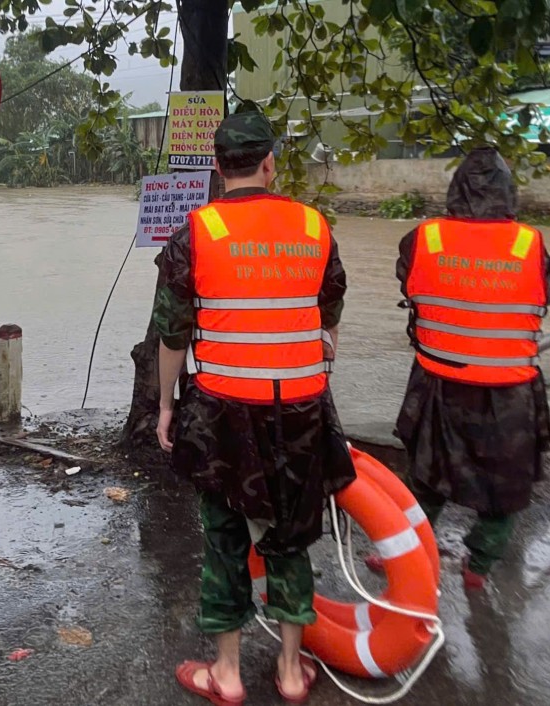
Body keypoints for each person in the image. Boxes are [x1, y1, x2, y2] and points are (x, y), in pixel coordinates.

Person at [154, 110, 355, 705]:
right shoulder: (315, 227)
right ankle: (292, 673)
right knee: (291, 534)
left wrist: (166, 408)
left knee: (222, 536)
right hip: (299, 410)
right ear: (271, 163)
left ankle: (227, 673)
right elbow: (331, 309)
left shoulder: (197, 231)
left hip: (221, 413)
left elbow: (172, 333)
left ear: (218, 167)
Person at [392, 147, 550, 590]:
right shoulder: (531, 244)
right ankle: (478, 565)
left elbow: (407, 279)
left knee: (425, 477)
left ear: (455, 191)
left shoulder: (425, 238)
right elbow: (543, 299)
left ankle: (407, 555)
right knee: (503, 488)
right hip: (510, 388)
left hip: (439, 384)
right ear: (509, 194)